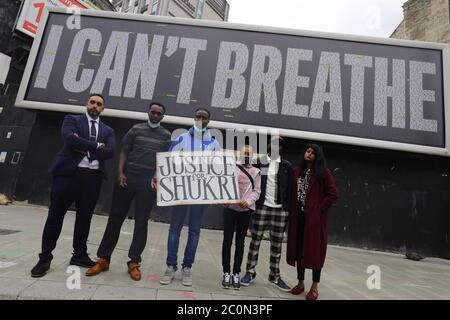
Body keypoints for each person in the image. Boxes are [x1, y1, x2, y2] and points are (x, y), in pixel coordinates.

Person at [30, 94, 115, 278]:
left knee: (85, 219)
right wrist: (96, 146)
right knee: (55, 216)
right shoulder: (72, 120)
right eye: (92, 102)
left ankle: (79, 255)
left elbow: (110, 152)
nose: (95, 105)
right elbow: (69, 139)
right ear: (87, 104)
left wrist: (86, 147)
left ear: (103, 109)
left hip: (93, 178)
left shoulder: (108, 130)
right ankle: (44, 258)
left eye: (99, 104)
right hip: (68, 175)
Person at [85, 102, 171, 281]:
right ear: (148, 113)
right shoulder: (135, 129)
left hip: (148, 183)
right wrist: (121, 173)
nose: (155, 115)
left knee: (141, 223)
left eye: (158, 114)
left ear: (162, 117)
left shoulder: (166, 135)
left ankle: (134, 262)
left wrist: (158, 180)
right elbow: (124, 151)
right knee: (115, 219)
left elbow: (165, 161)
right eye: (153, 112)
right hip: (128, 178)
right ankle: (103, 259)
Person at [158, 108, 221, 287]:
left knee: (194, 232)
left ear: (209, 120)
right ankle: (171, 266)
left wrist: (218, 191)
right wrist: (158, 176)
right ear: (194, 118)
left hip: (201, 196)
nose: (201, 119)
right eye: (198, 116)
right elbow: (167, 161)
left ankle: (187, 268)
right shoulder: (182, 138)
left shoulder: (214, 145)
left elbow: (218, 171)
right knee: (174, 229)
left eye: (204, 117)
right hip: (180, 193)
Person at [286, 143, 338, 300]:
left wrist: (319, 209)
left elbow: (333, 194)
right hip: (298, 218)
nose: (309, 154)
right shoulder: (296, 172)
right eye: (307, 151)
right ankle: (300, 283)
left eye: (313, 153)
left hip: (314, 221)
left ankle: (314, 287)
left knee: (315, 254)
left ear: (317, 156)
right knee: (299, 251)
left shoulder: (323, 173)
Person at [240, 137, 293, 292]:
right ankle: (250, 272)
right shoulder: (259, 162)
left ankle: (274, 275)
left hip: (280, 209)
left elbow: (289, 188)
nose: (275, 146)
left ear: (281, 148)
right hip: (261, 207)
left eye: (279, 145)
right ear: (268, 145)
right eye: (273, 143)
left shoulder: (286, 166)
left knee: (277, 245)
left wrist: (287, 208)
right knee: (255, 241)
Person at [221, 145, 261, 290]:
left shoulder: (256, 172)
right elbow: (223, 186)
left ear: (252, 156)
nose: (245, 156)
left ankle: (236, 273)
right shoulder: (232, 168)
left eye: (248, 154)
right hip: (230, 209)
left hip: (245, 212)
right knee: (227, 241)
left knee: (240, 243)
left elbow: (257, 191)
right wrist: (224, 200)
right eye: (243, 153)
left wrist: (249, 201)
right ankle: (226, 272)